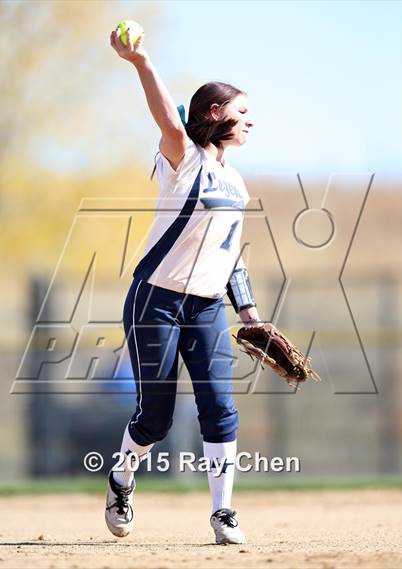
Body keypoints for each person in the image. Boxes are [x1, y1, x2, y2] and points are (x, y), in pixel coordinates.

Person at [106, 24, 262, 545]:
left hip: (206, 307)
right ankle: (122, 477)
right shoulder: (184, 160)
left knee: (220, 405)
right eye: (242, 113)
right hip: (155, 300)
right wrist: (141, 62)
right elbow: (165, 112)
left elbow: (230, 252)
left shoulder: (236, 182)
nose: (250, 122)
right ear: (214, 115)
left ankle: (223, 513)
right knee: (156, 418)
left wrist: (249, 313)